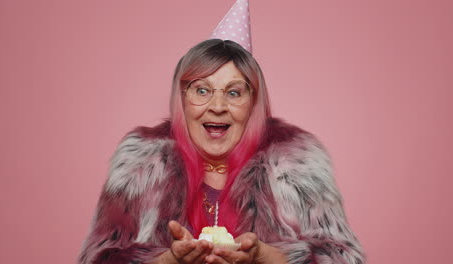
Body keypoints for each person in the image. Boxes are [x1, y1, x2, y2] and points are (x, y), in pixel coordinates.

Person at [78, 39, 365, 264]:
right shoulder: (140, 167)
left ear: (253, 103)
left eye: (233, 92)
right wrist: (166, 261)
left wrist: (271, 258)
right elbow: (98, 259)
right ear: (182, 98)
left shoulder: (296, 167)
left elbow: (344, 257)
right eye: (202, 90)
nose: (217, 106)